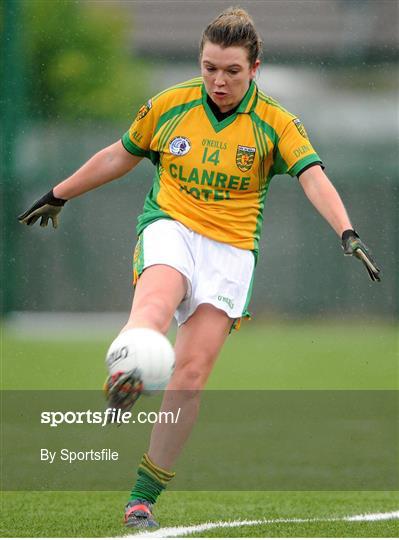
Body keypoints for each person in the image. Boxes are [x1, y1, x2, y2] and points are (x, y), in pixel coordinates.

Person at [18, 7, 381, 529]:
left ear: (255, 68)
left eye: (232, 70)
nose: (218, 80)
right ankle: (129, 371)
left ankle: (142, 498)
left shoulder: (276, 122)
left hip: (230, 251)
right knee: (155, 302)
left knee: (189, 377)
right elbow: (121, 154)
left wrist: (346, 230)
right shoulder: (171, 104)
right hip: (170, 225)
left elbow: (313, 176)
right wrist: (60, 194)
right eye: (210, 67)